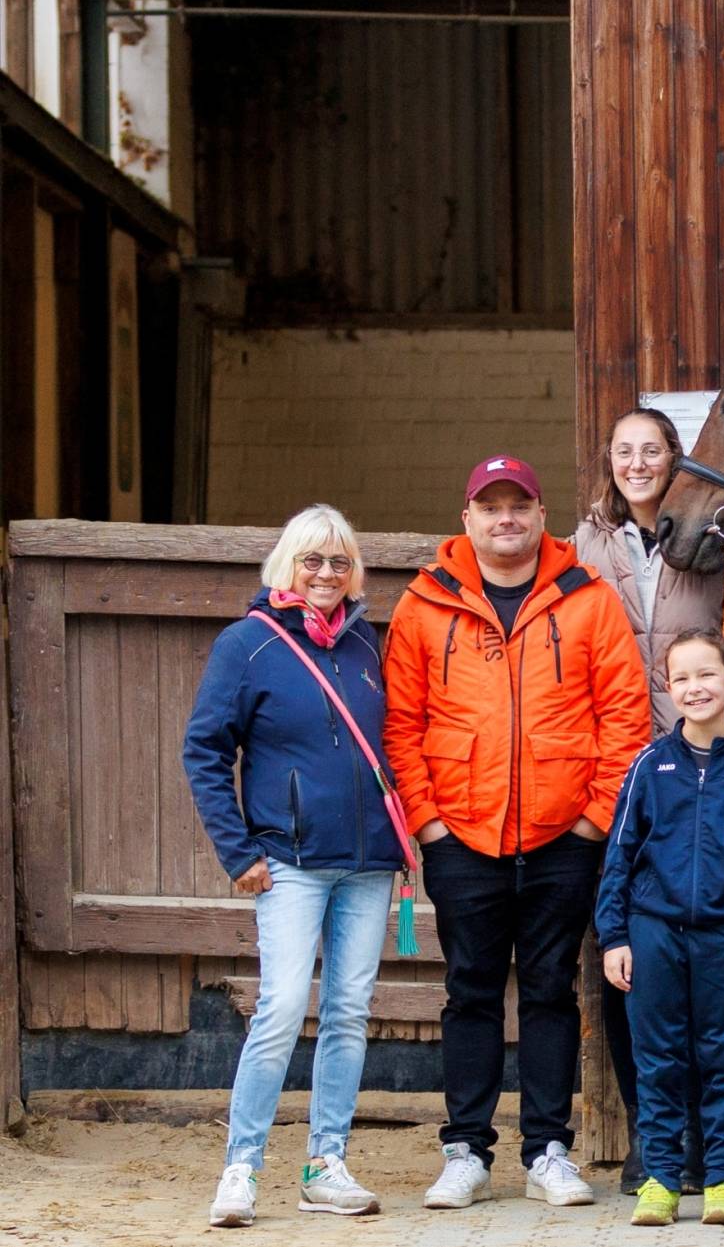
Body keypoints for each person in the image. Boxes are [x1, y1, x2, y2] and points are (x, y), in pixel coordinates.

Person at [382, 455, 651, 1211]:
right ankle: (465, 1151)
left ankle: (547, 1151)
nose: (506, 518)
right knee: (469, 991)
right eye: (491, 506)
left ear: (540, 516)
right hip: (461, 835)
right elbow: (401, 725)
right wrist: (429, 823)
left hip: (564, 836)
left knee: (550, 991)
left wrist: (595, 820)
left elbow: (624, 718)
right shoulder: (424, 603)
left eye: (519, 505)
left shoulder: (587, 599)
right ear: (466, 518)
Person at [186, 505, 406, 1228]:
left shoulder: (366, 643)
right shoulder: (247, 644)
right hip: (289, 861)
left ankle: (325, 1165)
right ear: (287, 564)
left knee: (348, 1012)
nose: (326, 573)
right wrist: (238, 850)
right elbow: (205, 750)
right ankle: (241, 1167)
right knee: (281, 1008)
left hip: (368, 862)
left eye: (340, 561)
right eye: (313, 559)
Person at [574, 407, 723, 1195]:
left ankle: (699, 1132)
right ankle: (649, 1130)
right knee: (626, 958)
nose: (637, 463)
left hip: (696, 768)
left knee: (700, 959)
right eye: (624, 451)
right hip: (613, 773)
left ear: (675, 457)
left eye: (652, 450)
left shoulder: (713, 539)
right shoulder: (584, 544)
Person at [598, 628, 724, 1227]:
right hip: (652, 932)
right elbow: (619, 856)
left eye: (706, 674)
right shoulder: (649, 766)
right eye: (680, 678)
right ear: (667, 687)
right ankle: (660, 1179)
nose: (694, 688)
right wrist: (615, 936)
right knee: (657, 1059)